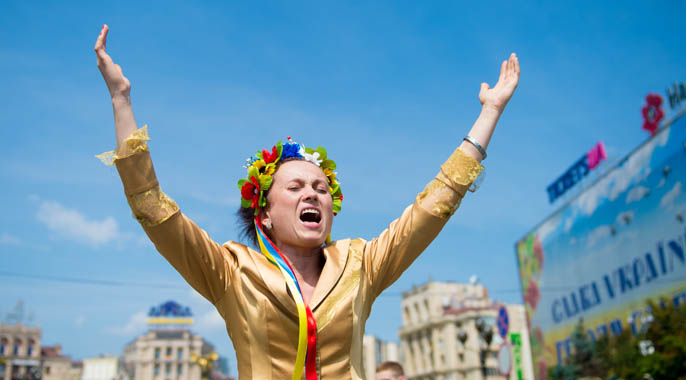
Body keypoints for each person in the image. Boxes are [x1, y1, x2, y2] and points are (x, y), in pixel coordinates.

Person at [94, 24, 519, 380]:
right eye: (295, 187)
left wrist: (490, 113)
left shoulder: (361, 264)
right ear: (264, 212)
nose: (312, 193)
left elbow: (434, 205)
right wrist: (121, 100)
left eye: (320, 187)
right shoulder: (230, 270)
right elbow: (153, 208)